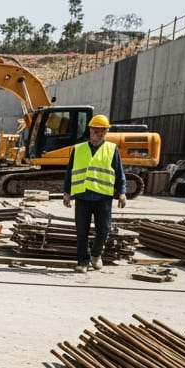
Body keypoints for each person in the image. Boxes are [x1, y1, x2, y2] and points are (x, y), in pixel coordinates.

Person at [61, 113, 126, 272]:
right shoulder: (79, 149)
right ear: (91, 131)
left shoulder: (111, 149)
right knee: (81, 232)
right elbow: (70, 172)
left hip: (103, 197)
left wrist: (122, 192)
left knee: (104, 230)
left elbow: (119, 172)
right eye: (97, 131)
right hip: (83, 196)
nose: (100, 135)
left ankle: (96, 255)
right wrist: (67, 192)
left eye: (103, 131)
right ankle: (82, 262)